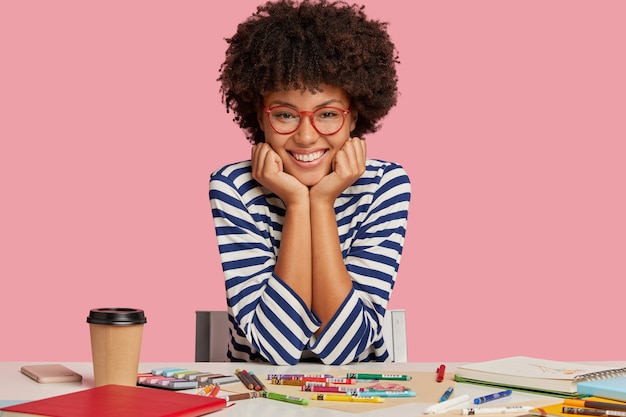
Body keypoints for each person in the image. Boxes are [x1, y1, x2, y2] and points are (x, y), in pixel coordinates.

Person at [209, 0, 411, 365]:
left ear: (354, 118)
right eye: (285, 114)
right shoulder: (234, 186)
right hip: (256, 397)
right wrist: (299, 203)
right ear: (260, 115)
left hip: (360, 396)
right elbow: (275, 348)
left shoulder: (385, 184)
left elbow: (347, 349)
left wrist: (321, 203)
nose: (305, 136)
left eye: (328, 114)